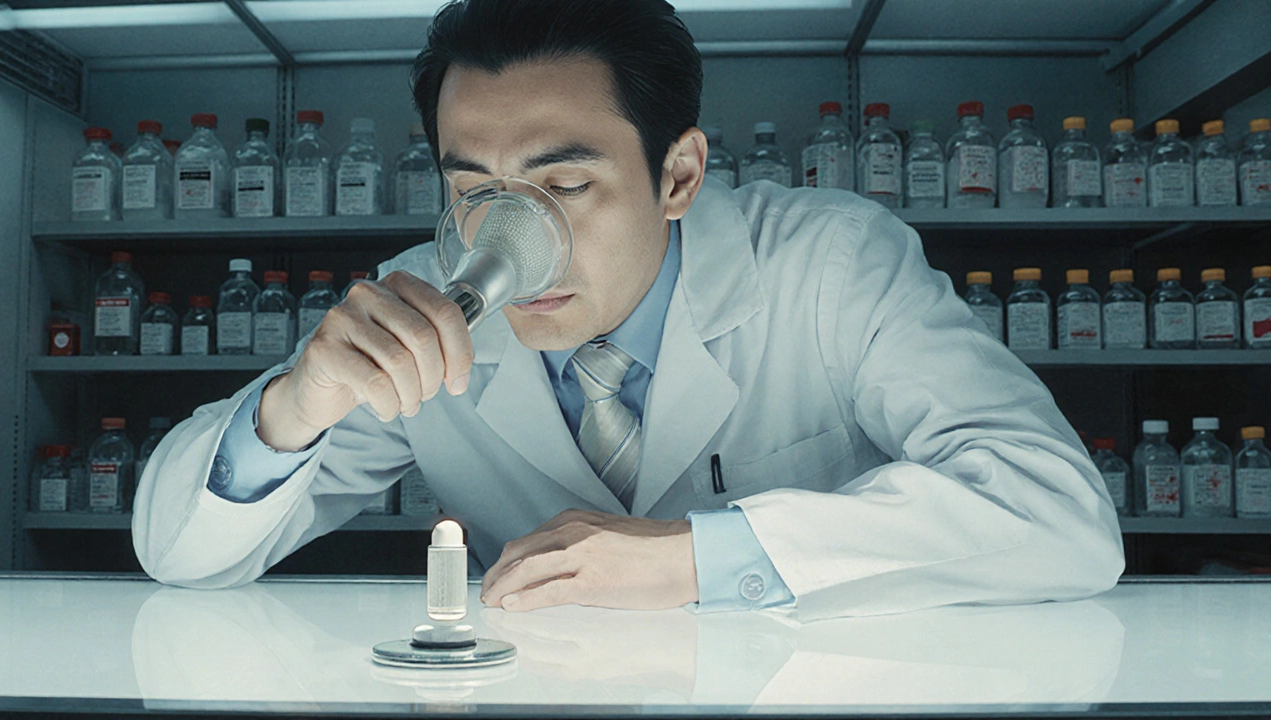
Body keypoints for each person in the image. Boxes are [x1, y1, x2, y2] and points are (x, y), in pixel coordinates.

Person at [133, 0, 1123, 621]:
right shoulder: (424, 305)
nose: (507, 243)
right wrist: (290, 409)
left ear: (679, 174)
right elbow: (179, 558)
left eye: (564, 186)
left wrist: (702, 558)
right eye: (473, 188)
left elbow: (1060, 521)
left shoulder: (829, 265)